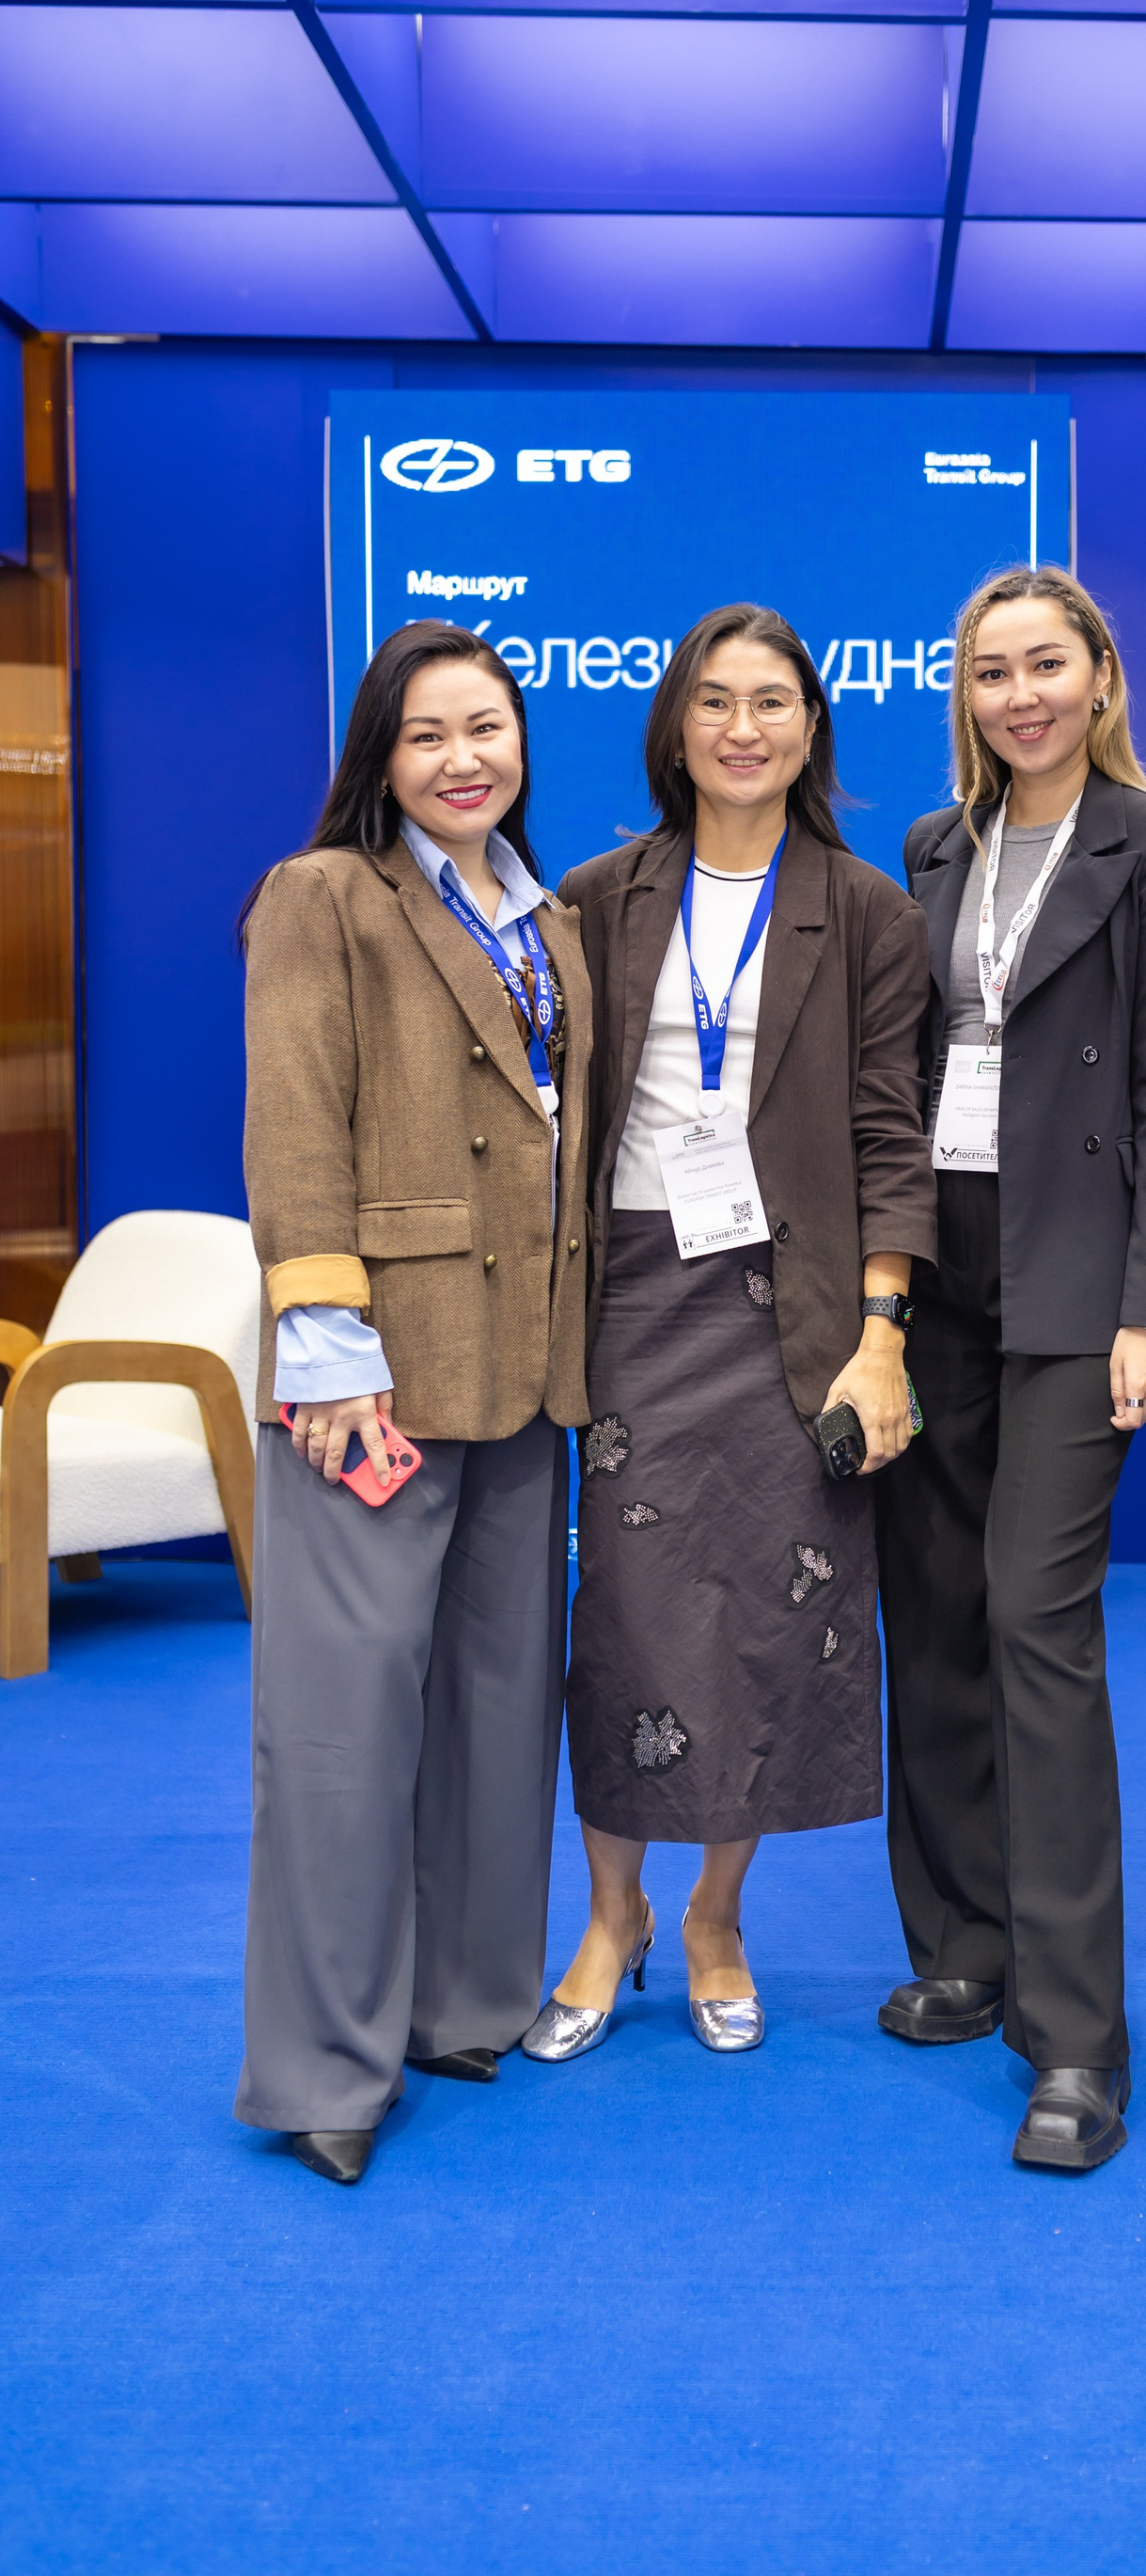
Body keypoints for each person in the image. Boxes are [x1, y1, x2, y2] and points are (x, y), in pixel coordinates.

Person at [529, 602, 934, 2062]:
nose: (743, 727)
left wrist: (882, 1331)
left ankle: (714, 1915)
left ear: (810, 728)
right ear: (675, 726)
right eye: (715, 700)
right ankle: (610, 1912)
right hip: (637, 1294)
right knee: (630, 1617)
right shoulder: (595, 897)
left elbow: (889, 1136)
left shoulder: (868, 911)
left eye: (771, 701)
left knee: (769, 1615)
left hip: (795, 1305)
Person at [235, 620, 590, 2187]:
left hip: (525, 1368)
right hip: (373, 1375)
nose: (464, 759)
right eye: (430, 733)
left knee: (501, 1712)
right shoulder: (323, 895)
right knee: (343, 1726)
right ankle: (324, 2066)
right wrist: (324, 1343)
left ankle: (465, 2002)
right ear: (382, 754)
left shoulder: (546, 915)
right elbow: (295, 1121)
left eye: (487, 729)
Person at [873, 564, 1146, 2173]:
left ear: (1101, 679)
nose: (1020, 696)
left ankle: (1078, 2040)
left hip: (1083, 1284)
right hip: (941, 1273)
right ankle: (967, 1944)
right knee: (936, 1612)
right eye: (991, 672)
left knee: (1034, 1619)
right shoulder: (934, 849)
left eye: (1045, 666)